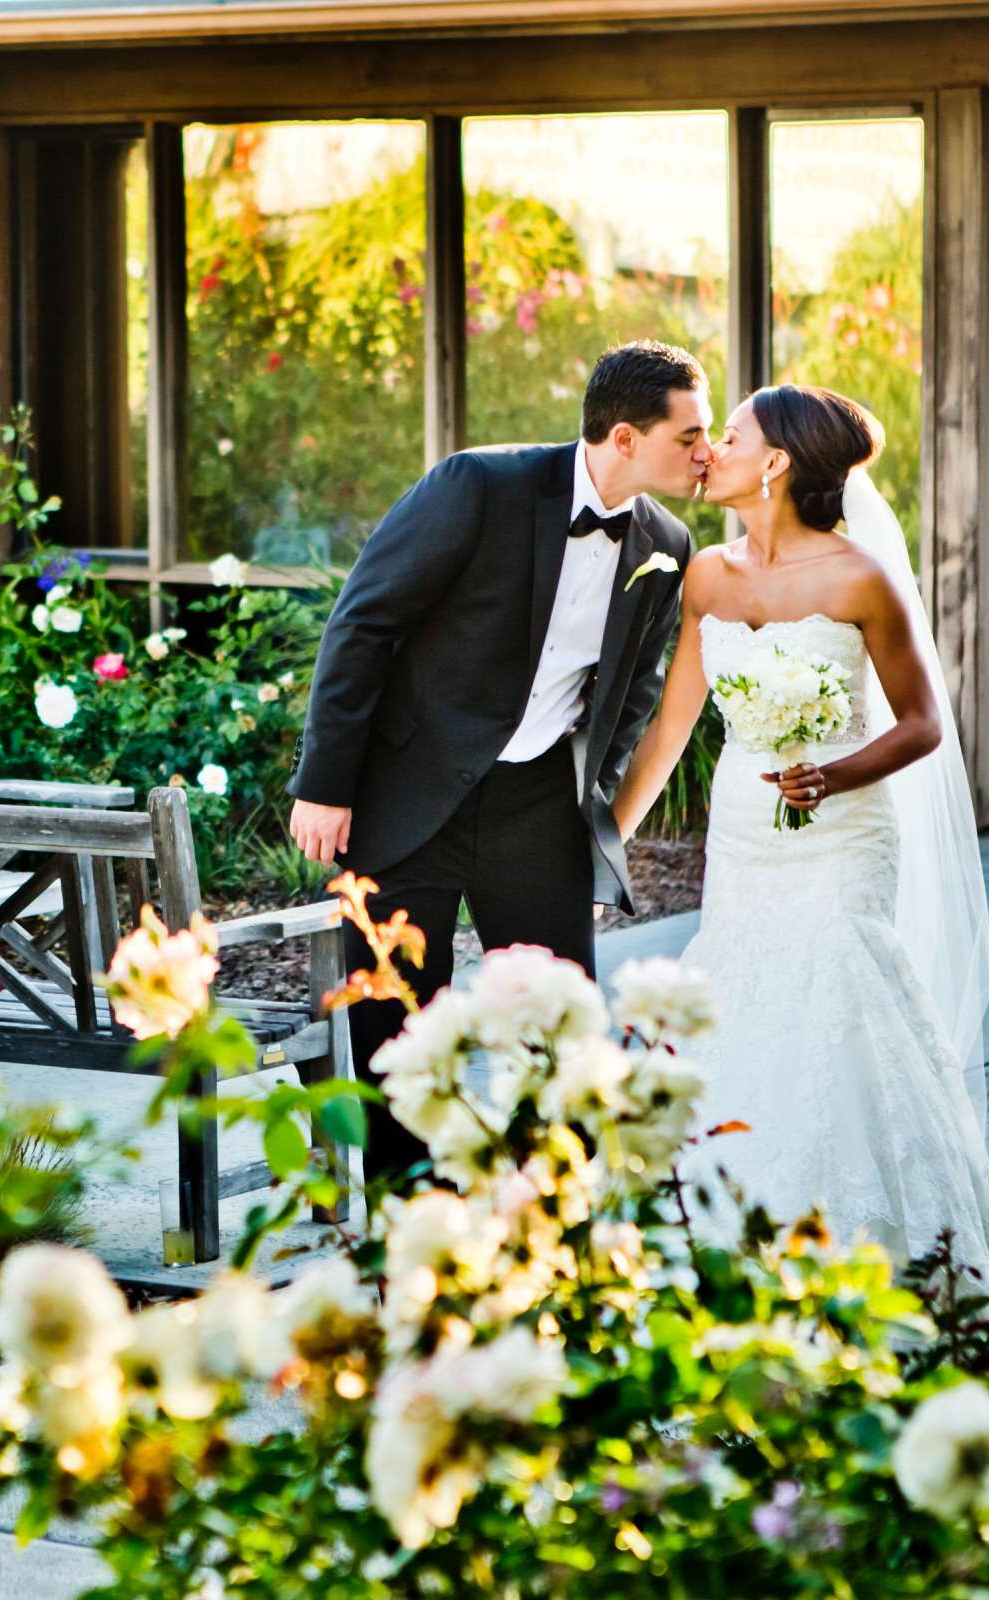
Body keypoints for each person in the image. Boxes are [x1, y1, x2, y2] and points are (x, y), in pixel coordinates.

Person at [607, 382, 989, 1315]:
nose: (708, 450)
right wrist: (607, 840)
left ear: (775, 465)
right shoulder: (708, 578)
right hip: (744, 836)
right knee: (739, 1011)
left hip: (842, 836)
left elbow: (924, 724)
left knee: (844, 1009)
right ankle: (729, 1250)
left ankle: (878, 1259)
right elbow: (674, 728)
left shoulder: (858, 579)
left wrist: (836, 776)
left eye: (726, 437)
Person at [288, 340, 710, 1182]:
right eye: (689, 435)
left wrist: (595, 823)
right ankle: (403, 1222)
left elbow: (629, 696)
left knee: (561, 1028)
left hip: (539, 808)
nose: (707, 453)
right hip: (405, 795)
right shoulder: (479, 486)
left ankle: (559, 1217)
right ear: (624, 438)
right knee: (394, 1020)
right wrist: (325, 785)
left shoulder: (668, 542)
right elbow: (362, 625)